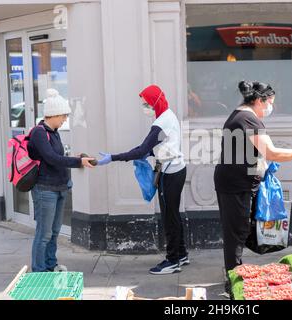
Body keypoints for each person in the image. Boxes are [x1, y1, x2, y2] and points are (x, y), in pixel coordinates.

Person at [214, 81, 292, 278]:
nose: (272, 107)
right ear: (259, 101)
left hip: (235, 182)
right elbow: (272, 152)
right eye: (271, 102)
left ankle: (235, 271)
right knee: (236, 233)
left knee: (240, 229)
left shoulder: (241, 116)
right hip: (236, 185)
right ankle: (233, 277)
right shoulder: (247, 119)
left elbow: (246, 151)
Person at [97, 84, 188, 275]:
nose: (145, 108)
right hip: (177, 170)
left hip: (170, 173)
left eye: (147, 104)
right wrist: (150, 152)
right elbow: (153, 146)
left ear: (155, 102)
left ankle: (172, 261)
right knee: (173, 214)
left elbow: (141, 150)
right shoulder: (168, 115)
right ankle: (181, 254)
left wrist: (112, 158)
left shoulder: (161, 123)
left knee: (169, 217)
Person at [28, 88, 95, 272]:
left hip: (59, 188)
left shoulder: (54, 131)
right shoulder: (39, 133)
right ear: (53, 114)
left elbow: (57, 157)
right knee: (44, 233)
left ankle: (50, 265)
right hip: (45, 189)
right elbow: (51, 158)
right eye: (63, 116)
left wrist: (75, 157)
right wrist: (77, 161)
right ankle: (39, 271)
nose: (65, 119)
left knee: (55, 232)